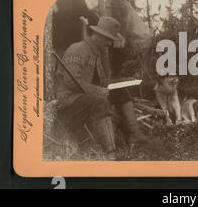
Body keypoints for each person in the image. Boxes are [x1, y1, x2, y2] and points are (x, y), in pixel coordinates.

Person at [55, 16, 148, 157]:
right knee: (100, 102)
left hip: (85, 96)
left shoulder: (95, 54)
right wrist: (98, 91)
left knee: (120, 92)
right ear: (98, 36)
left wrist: (123, 81)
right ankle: (110, 152)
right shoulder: (78, 49)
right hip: (69, 100)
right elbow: (71, 81)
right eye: (108, 39)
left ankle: (134, 133)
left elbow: (100, 82)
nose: (109, 43)